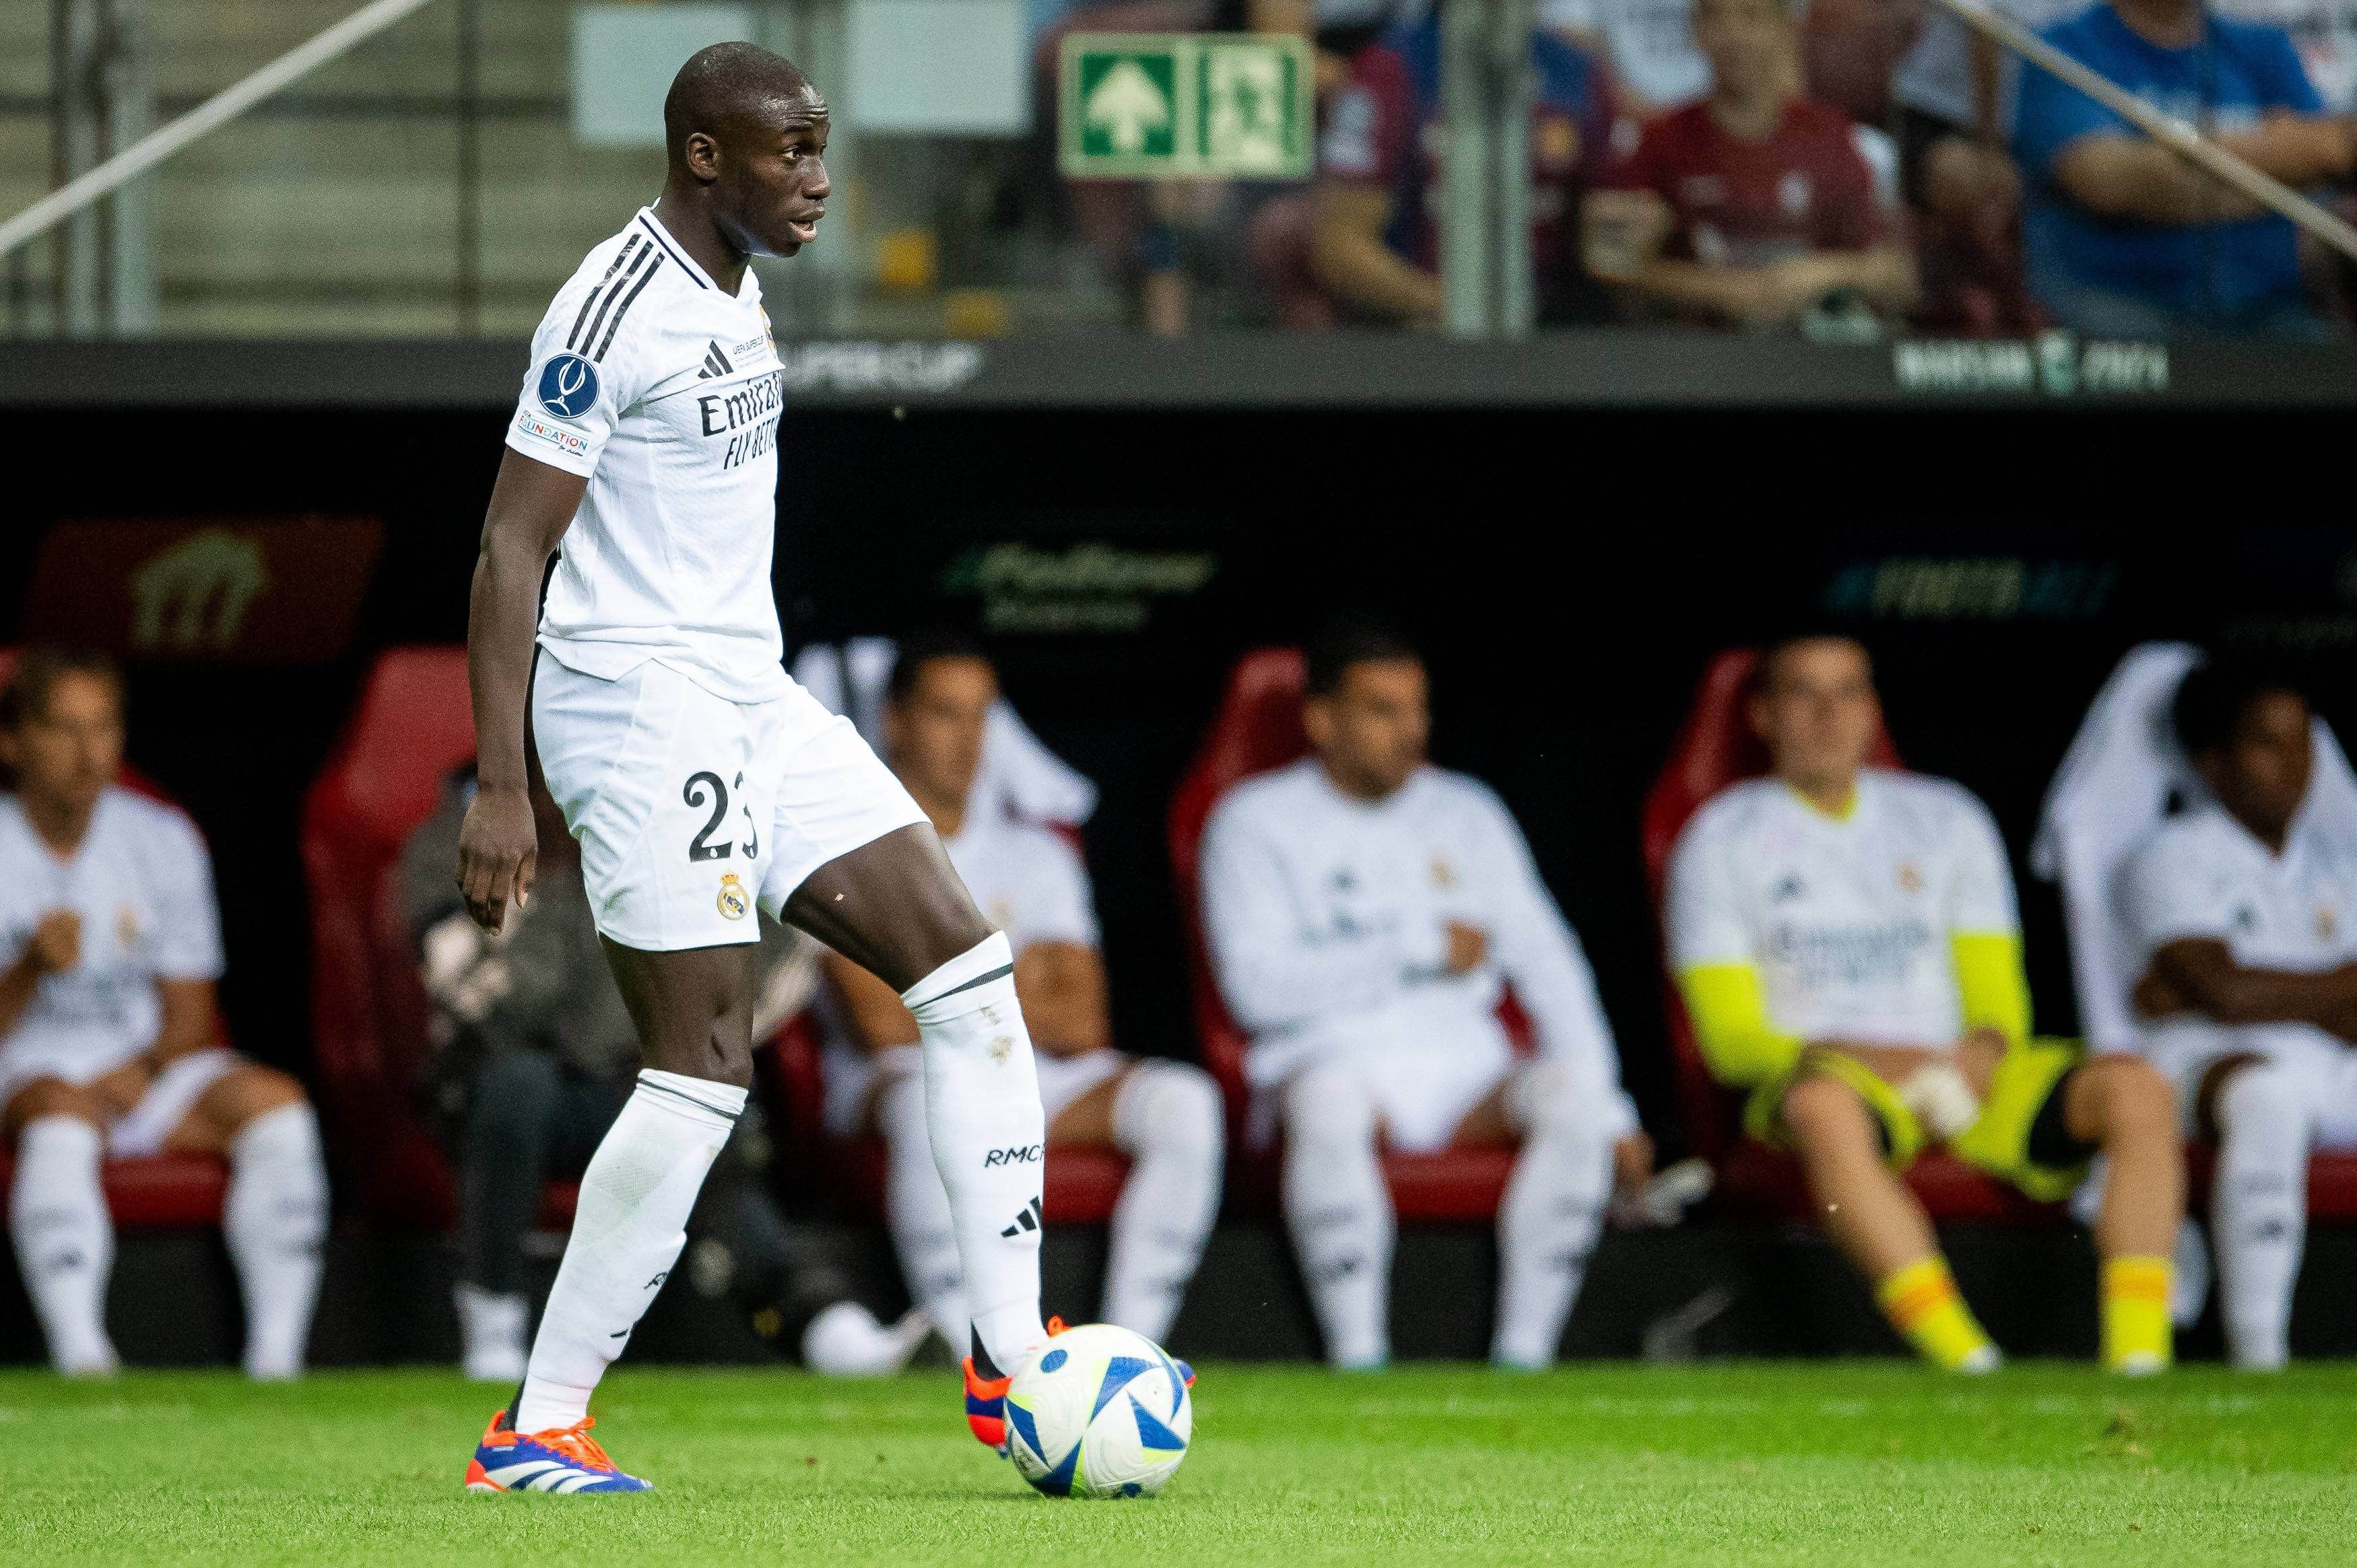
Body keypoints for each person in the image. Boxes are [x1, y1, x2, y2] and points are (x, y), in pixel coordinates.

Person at [459, 42, 1067, 1493]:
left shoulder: (742, 276)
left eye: (820, 146)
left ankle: (1008, 1360)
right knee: (703, 1064)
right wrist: (499, 783)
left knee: (969, 976)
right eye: (789, 151)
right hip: (635, 702)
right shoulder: (610, 307)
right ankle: (537, 1428)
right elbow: (507, 545)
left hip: (747, 689)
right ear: (702, 156)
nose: (818, 178)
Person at [1665, 634, 2182, 1373]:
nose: (1827, 715)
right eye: (1802, 693)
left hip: (1964, 1075)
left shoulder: (1946, 819)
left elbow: (1999, 999)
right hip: (1835, 1081)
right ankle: (1963, 1357)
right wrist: (1891, 1059)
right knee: (1822, 1109)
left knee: (2134, 1087)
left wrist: (1982, 1054)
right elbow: (1731, 1043)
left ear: (1873, 709)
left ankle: (2140, 1356)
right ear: (1760, 715)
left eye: (1848, 691)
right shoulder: (1718, 840)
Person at [1199, 618, 1651, 1370]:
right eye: (1383, 710)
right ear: (1320, 719)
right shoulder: (1251, 820)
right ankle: (1358, 1357)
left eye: (1418, 708)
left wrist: (1614, 1108)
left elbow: (1549, 965)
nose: (1411, 731)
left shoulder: (1466, 812)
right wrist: (1412, 947)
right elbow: (1254, 993)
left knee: (1574, 1093)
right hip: (1332, 1059)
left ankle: (1525, 1357)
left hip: (1463, 1070)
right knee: (1327, 1100)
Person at [400, 767, 923, 1384]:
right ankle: (494, 1321)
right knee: (521, 1085)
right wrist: (556, 875)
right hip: (492, 1081)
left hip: (626, 1077)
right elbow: (496, 998)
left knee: (694, 1106)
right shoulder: (463, 837)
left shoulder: (652, 824)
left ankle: (822, 1321)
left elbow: (772, 966)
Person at [823, 633, 1224, 1348]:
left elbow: (1084, 1020)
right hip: (902, 1081)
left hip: (1041, 1079)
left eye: (982, 716)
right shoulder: (843, 843)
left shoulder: (1036, 851)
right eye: (947, 714)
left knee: (1185, 1103)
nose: (969, 740)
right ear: (895, 720)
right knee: (927, 1092)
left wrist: (937, 985)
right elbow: (879, 1022)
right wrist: (1015, 975)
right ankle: (960, 1343)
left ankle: (1129, 1346)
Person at [0, 646, 326, 1379]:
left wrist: (142, 1070)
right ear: (14, 741)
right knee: (59, 1112)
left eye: (104, 729)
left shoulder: (160, 836)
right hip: (25, 1067)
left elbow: (190, 1012)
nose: (87, 754)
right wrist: (26, 970)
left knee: (278, 1106)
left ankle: (277, 1364)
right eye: (63, 730)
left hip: (142, 1066)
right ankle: (82, 1356)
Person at [2120, 662, 2357, 1369]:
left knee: (2285, 1078)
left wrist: (2254, 985)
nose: (2290, 764)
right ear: (2211, 761)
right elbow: (2222, 993)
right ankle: (2258, 1349)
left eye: (2301, 743)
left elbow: (2232, 983)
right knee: (2266, 1091)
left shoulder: (2338, 863)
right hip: (2197, 1065)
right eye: (2265, 743)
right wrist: (2339, 985)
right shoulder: (2172, 853)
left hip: (2332, 1062)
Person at [2015, 0, 2356, 336]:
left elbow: (2334, 157)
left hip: (2271, 310)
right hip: (2118, 306)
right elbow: (2109, 181)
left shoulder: (2264, 48)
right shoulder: (2063, 48)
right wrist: (2285, 154)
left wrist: (2171, 168)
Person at [1586, 0, 1915, 331]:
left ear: (1785, 29)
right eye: (1718, 18)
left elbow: (1895, 276)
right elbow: (1611, 266)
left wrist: (1814, 275)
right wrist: (1722, 290)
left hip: (1813, 355)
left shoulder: (1827, 136)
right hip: (1693, 355)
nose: (1736, 36)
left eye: (1752, 17)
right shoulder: (1663, 141)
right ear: (1696, 31)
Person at [1313, 5, 1620, 325]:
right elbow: (1339, 244)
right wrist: (1455, 309)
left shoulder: (1579, 74)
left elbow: (1609, 245)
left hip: (1556, 331)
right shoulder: (1390, 67)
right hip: (1419, 330)